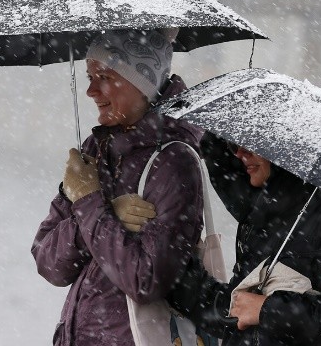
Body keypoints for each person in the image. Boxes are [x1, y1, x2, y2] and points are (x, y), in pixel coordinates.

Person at [124, 132, 321, 345]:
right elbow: (238, 310)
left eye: (252, 142)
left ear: (284, 147)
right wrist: (167, 264)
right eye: (234, 143)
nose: (240, 152)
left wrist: (268, 311)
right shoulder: (263, 215)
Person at [31, 28, 208, 346]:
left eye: (105, 76)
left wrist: (88, 203)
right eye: (88, 76)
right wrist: (102, 212)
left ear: (143, 83)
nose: (90, 91)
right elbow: (47, 262)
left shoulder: (173, 162)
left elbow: (146, 281)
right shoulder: (94, 150)